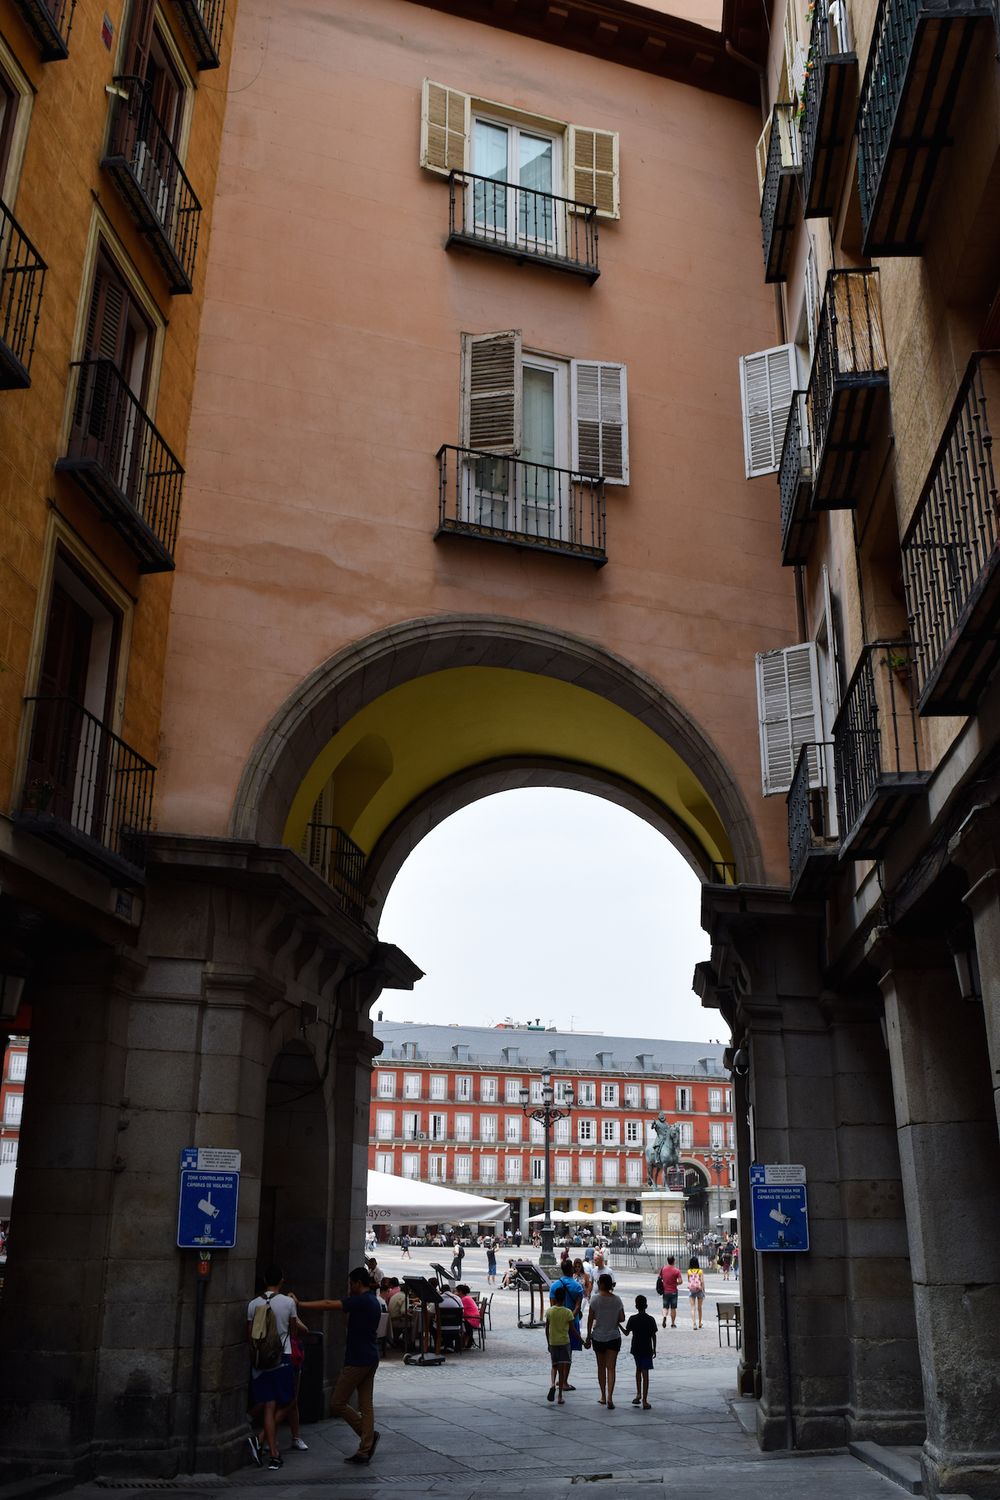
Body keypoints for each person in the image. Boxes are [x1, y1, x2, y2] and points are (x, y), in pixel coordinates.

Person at [298, 1267, 382, 1465]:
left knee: (337, 1402)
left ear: (358, 1283)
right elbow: (347, 1323)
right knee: (366, 1404)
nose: (349, 1287)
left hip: (358, 1360)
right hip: (371, 1356)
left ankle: (367, 1437)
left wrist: (300, 1304)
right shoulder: (372, 1301)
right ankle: (366, 1445)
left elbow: (329, 1304)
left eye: (350, 1283)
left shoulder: (360, 1300)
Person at [246, 1265, 310, 1469]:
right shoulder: (288, 1302)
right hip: (283, 1356)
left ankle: (272, 1451)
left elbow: (250, 1334)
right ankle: (267, 1445)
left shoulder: (253, 1304)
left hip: (261, 1360)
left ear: (265, 1280)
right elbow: (293, 1332)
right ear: (281, 1280)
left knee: (269, 1404)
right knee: (289, 1400)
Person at [585, 1272, 625, 1409]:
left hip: (599, 1337)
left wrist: (589, 1335)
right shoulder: (617, 1300)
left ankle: (602, 1395)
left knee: (601, 1367)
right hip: (614, 1336)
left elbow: (590, 1318)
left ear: (601, 1284)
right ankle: (610, 1397)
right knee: (611, 1368)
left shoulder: (595, 1299)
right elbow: (622, 1318)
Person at [625, 1295, 658, 1409]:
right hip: (647, 1348)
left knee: (638, 1370)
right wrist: (654, 1348)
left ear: (636, 1306)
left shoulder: (632, 1319)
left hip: (636, 1348)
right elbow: (653, 1335)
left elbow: (626, 1333)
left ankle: (638, 1393)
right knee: (646, 1374)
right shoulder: (651, 1319)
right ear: (646, 1306)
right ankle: (644, 1399)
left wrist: (617, 1324)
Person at [544, 1283, 575, 1405]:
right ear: (564, 1298)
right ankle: (560, 1396)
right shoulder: (568, 1312)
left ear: (555, 1298)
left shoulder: (550, 1311)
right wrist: (582, 1341)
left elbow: (547, 1328)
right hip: (564, 1342)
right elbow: (572, 1330)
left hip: (553, 1342)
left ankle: (552, 1384)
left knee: (554, 1366)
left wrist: (548, 1342)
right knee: (562, 1369)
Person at [659, 1255, 683, 1329]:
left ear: (667, 1260)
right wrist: (676, 1283)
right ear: (674, 1261)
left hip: (665, 1291)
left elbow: (660, 1278)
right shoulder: (676, 1270)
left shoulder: (663, 1269)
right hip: (673, 1291)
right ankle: (673, 1323)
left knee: (665, 1307)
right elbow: (680, 1281)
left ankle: (664, 1316)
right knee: (673, 1308)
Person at [687, 1255, 705, 1329]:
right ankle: (700, 1323)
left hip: (692, 1290)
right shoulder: (700, 1271)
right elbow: (702, 1281)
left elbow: (689, 1280)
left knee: (692, 1307)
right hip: (699, 1289)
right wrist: (703, 1290)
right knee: (699, 1307)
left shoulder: (689, 1271)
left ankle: (694, 1323)